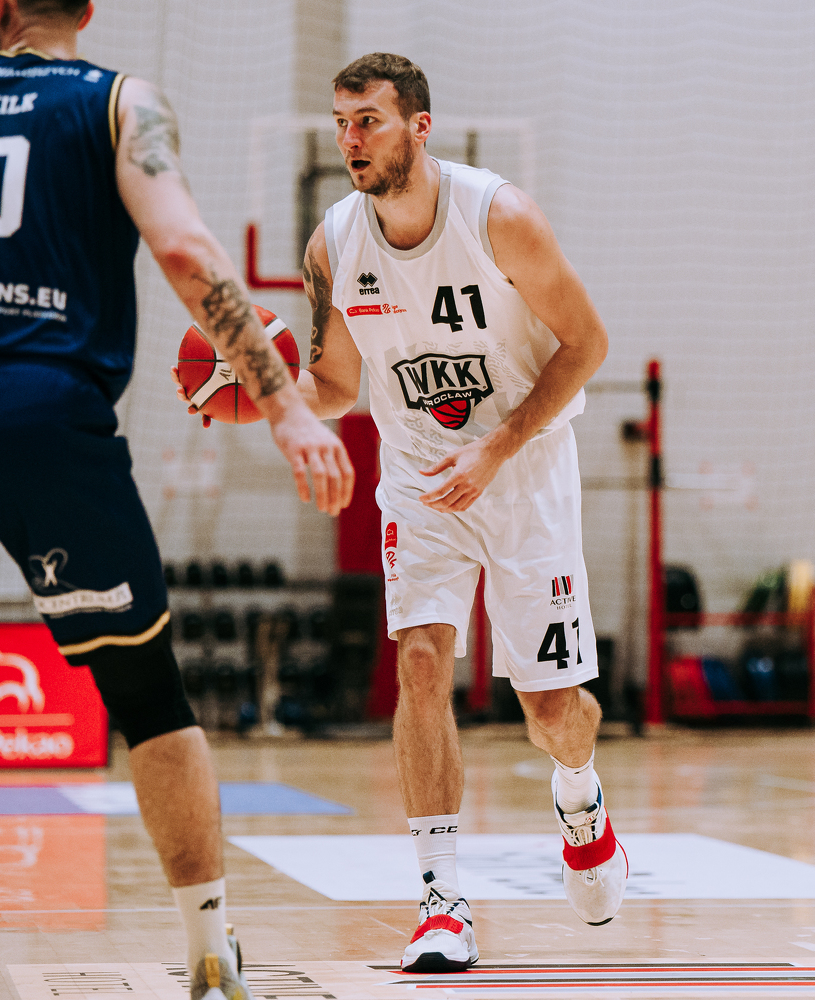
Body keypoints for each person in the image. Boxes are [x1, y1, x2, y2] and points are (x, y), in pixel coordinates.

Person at [0, 3, 353, 999]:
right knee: (151, 701)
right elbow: (184, 250)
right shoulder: (124, 105)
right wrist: (287, 406)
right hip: (48, 415)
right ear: (85, 8)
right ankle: (210, 947)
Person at [298, 52, 623, 972]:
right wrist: (256, 398)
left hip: (524, 469)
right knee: (420, 662)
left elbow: (586, 343)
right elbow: (333, 385)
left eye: (367, 120)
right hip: (418, 478)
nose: (350, 140)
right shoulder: (331, 244)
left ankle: (579, 795)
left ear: (419, 125)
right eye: (341, 123)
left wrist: (495, 447)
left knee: (550, 709)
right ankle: (440, 899)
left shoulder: (498, 216)